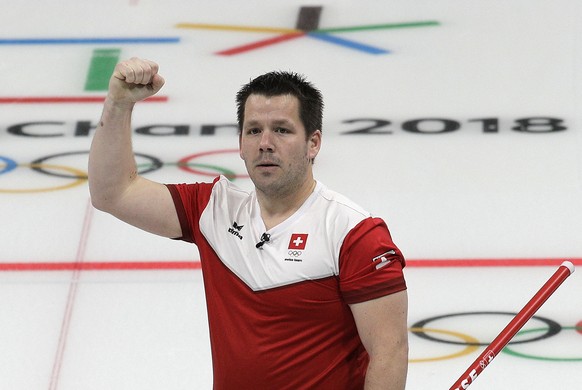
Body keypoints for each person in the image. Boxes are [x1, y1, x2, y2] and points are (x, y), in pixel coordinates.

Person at [88, 57, 408, 389]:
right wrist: (118, 104)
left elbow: (389, 352)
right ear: (241, 144)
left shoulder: (354, 234)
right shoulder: (214, 209)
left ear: (314, 143)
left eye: (282, 130)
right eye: (254, 130)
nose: (265, 143)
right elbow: (112, 192)